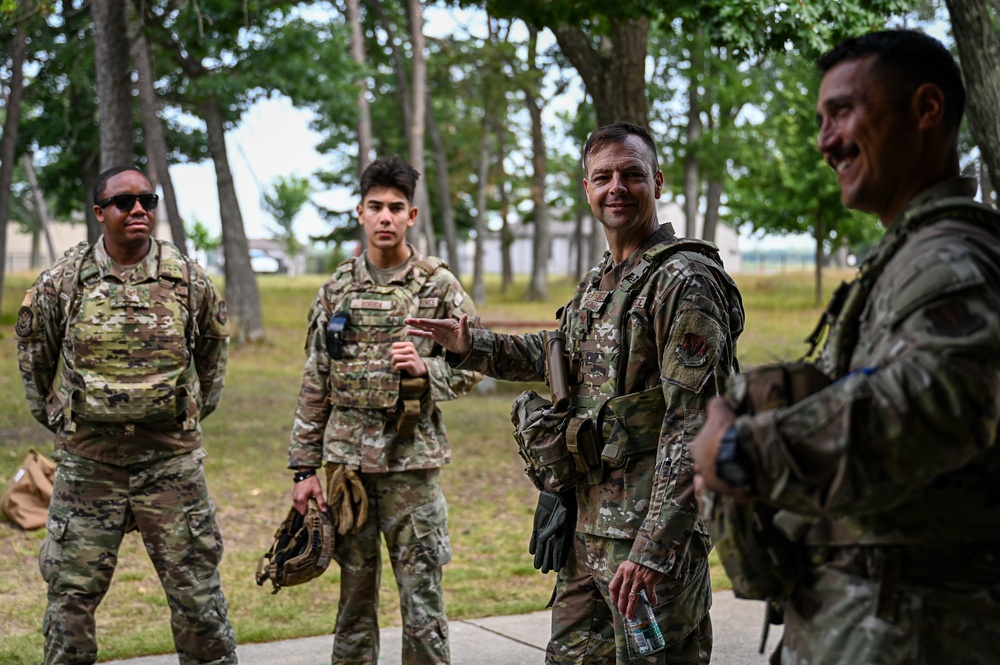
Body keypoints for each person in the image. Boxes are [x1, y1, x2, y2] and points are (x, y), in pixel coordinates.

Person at [689, 29, 1000, 664]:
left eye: (843, 112)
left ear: (926, 109)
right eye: (820, 119)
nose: (826, 142)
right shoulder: (909, 257)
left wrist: (741, 449)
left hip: (918, 633)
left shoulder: (953, 260)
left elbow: (936, 404)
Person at [408, 122, 745, 664]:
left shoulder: (683, 281)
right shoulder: (602, 281)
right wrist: (473, 344)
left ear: (656, 182)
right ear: (586, 188)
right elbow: (559, 354)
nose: (617, 188)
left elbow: (697, 426)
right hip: (586, 536)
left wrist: (654, 550)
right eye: (603, 176)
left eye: (632, 175)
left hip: (645, 546)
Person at [14, 165, 237, 665]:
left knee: (198, 599)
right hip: (89, 467)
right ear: (100, 213)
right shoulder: (62, 282)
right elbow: (36, 363)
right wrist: (69, 424)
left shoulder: (188, 279)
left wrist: (182, 416)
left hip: (170, 465)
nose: (138, 209)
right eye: (124, 202)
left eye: (147, 200)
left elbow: (212, 362)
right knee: (70, 602)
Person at [287, 156, 480, 665]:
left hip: (412, 468)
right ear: (360, 212)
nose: (386, 217)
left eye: (396, 207)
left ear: (412, 215)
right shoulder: (336, 288)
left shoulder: (437, 287)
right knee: (353, 602)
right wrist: (304, 469)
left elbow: (476, 362)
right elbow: (315, 381)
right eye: (376, 207)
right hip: (348, 472)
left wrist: (427, 372)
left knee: (422, 605)